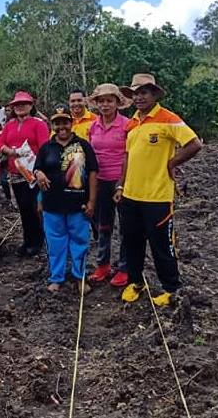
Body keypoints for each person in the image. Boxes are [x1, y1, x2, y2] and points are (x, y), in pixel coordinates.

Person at [115, 73, 203, 306]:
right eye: (135, 94)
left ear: (154, 94)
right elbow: (127, 157)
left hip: (157, 197)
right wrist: (121, 185)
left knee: (162, 245)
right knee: (132, 242)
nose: (139, 98)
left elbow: (194, 144)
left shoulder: (168, 118)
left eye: (144, 92)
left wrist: (172, 162)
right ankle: (135, 283)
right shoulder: (132, 122)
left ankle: (170, 288)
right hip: (131, 195)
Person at [34, 104, 98, 292]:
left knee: (80, 242)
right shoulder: (46, 148)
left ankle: (80, 276)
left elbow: (93, 174)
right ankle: (57, 277)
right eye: (57, 123)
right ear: (53, 126)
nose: (62, 127)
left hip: (78, 204)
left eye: (65, 123)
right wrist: (38, 174)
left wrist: (92, 202)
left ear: (71, 123)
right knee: (55, 243)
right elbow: (37, 169)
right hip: (52, 204)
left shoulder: (83, 146)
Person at [86, 84, 131, 286]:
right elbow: (91, 156)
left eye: (109, 100)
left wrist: (121, 183)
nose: (105, 105)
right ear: (96, 104)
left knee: (125, 227)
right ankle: (103, 265)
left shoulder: (127, 125)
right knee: (103, 225)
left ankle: (124, 267)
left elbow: (129, 156)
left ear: (117, 103)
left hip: (122, 181)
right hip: (100, 181)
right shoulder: (93, 127)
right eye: (101, 101)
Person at [0, 91, 50, 257]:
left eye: (24, 104)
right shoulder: (10, 125)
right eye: (16, 105)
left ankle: (37, 242)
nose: (20, 107)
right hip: (15, 172)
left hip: (33, 173)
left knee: (34, 208)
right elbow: (1, 144)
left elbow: (44, 148)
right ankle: (27, 240)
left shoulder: (38, 124)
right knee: (22, 208)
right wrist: (12, 152)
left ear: (31, 105)